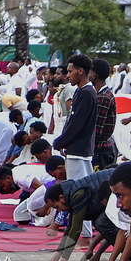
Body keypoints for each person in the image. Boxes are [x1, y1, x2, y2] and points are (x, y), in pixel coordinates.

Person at [42, 168, 117, 261]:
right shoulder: (71, 195)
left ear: (61, 197)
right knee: (101, 223)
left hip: (122, 182)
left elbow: (76, 230)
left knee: (102, 223)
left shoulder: (78, 194)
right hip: (114, 186)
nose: (59, 210)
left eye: (57, 206)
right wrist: (55, 257)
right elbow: (70, 229)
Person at [52, 54, 98, 186]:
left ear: (81, 71)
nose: (68, 75)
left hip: (80, 150)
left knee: (78, 188)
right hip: (75, 149)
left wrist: (60, 142)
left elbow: (77, 124)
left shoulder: (87, 93)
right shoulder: (80, 91)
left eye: (70, 71)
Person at [90, 59, 118, 170]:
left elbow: (97, 129)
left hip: (100, 151)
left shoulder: (103, 97)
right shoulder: (103, 94)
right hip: (101, 150)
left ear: (94, 75)